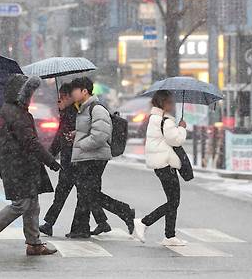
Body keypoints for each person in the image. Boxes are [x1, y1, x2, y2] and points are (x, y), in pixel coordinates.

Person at [0, 75, 60, 256]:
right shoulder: (16, 113)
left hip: (22, 165)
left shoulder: (15, 110)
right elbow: (30, 142)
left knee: (32, 203)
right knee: (21, 204)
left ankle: (34, 243)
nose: (32, 97)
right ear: (22, 94)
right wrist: (50, 161)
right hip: (19, 167)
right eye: (30, 93)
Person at [67, 77, 135, 238]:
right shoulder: (84, 108)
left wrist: (81, 144)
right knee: (86, 193)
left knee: (89, 193)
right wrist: (77, 135)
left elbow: (100, 136)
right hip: (88, 156)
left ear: (84, 91)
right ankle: (81, 229)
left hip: (94, 157)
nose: (72, 94)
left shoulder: (96, 109)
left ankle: (124, 211)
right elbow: (90, 130)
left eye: (74, 90)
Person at [39, 83, 110, 237]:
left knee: (81, 194)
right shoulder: (68, 112)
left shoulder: (76, 112)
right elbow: (60, 137)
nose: (59, 101)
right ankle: (101, 221)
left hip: (76, 160)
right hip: (71, 159)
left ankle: (51, 223)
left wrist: (50, 155)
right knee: (80, 194)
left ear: (69, 97)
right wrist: (50, 156)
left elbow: (65, 137)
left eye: (62, 98)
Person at [133, 90, 188, 246]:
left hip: (160, 164)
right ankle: (144, 222)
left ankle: (170, 236)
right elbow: (176, 140)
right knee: (173, 201)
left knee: (173, 200)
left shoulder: (154, 118)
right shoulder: (166, 121)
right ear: (163, 103)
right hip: (166, 164)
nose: (172, 105)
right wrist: (182, 128)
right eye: (170, 102)